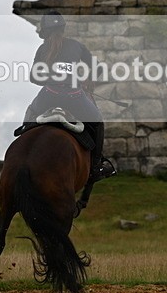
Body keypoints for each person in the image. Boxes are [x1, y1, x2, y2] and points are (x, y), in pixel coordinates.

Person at [25, 10, 114, 183]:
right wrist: (87, 79)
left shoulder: (42, 49)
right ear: (63, 29)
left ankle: (24, 148)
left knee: (30, 113)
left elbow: (34, 78)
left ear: (45, 31)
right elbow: (97, 68)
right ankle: (96, 166)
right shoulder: (76, 46)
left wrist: (51, 78)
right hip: (75, 97)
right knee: (97, 122)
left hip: (49, 96)